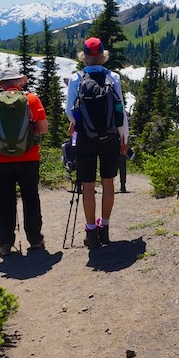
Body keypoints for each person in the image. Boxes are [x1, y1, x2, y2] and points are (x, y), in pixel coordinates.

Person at [65, 37, 129, 249]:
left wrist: (77, 123)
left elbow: (69, 112)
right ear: (103, 55)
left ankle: (91, 231)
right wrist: (124, 138)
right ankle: (106, 228)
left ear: (84, 57)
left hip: (86, 137)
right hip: (110, 137)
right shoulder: (113, 78)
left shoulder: (76, 79)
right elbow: (120, 111)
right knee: (108, 182)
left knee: (88, 185)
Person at [0, 67, 49, 257]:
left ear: (1, 84)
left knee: (5, 199)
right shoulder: (31, 99)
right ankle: (35, 239)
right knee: (30, 197)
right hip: (28, 157)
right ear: (20, 82)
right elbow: (43, 129)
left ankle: (5, 243)